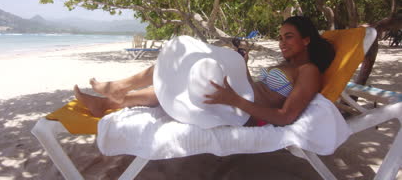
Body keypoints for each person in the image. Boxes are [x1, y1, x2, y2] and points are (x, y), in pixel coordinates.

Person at [74, 16, 335, 127]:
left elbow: (285, 116)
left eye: (288, 37)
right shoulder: (288, 66)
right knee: (182, 66)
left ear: (307, 40)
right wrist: (241, 65)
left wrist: (234, 100)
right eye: (280, 37)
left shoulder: (308, 71)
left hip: (243, 111)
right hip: (240, 95)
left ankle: (117, 90)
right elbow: (260, 88)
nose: (282, 42)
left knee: (182, 71)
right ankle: (108, 100)